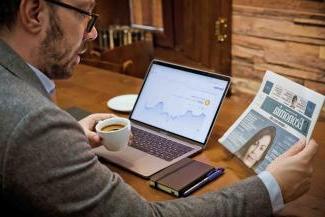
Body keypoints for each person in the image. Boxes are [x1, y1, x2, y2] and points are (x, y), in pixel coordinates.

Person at [0, 0, 319, 216]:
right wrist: (272, 187)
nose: (93, 31)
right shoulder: (34, 124)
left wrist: (67, 141)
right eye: (84, 12)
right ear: (34, 13)